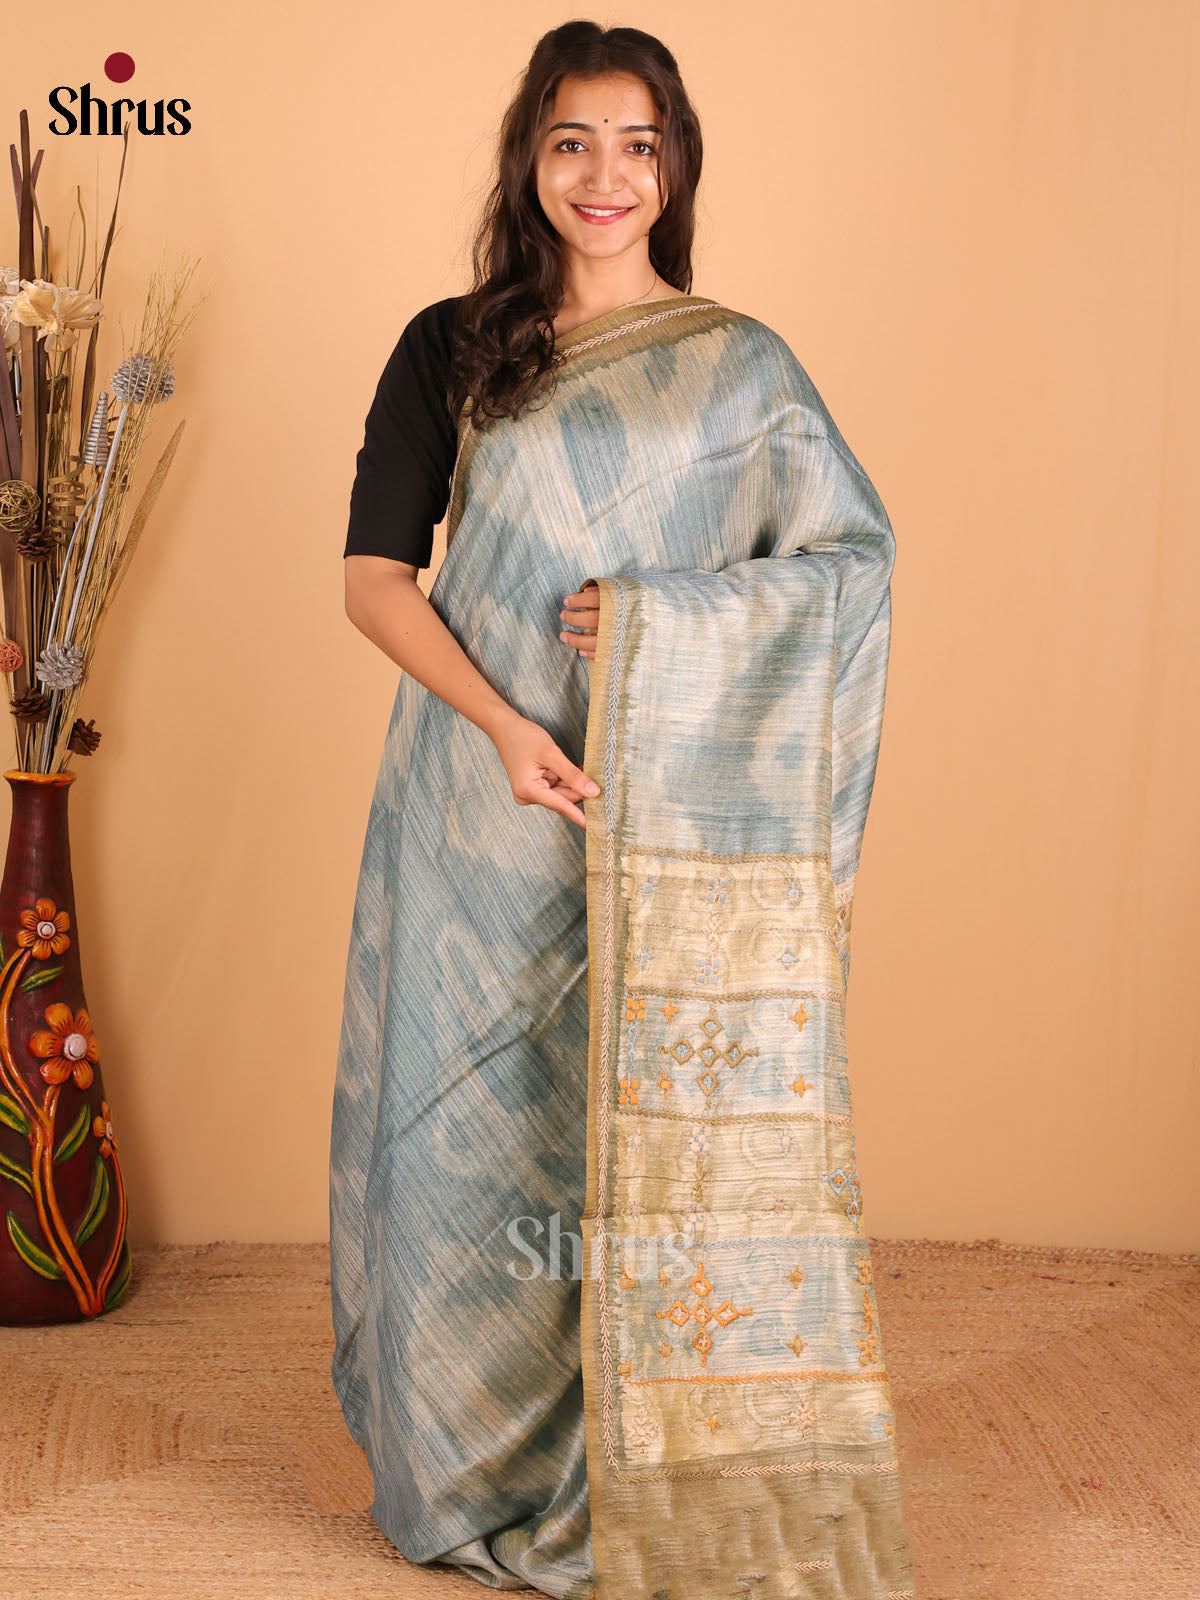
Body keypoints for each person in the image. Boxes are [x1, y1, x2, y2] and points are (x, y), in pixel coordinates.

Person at [330, 20, 915, 1600]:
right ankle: (465, 1469)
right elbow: (375, 579)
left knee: (633, 1131)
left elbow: (851, 572)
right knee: (461, 1129)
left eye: (637, 145)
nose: (605, 176)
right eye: (573, 141)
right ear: (531, 158)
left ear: (676, 167)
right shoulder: (454, 347)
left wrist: (663, 617)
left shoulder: (744, 368)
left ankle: (647, 1455)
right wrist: (505, 724)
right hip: (477, 802)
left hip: (668, 830)